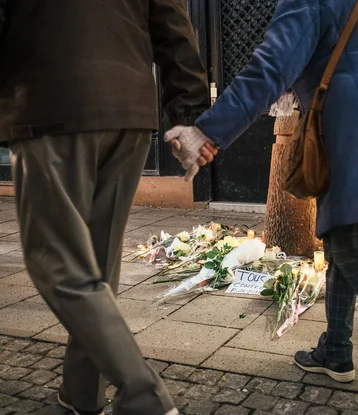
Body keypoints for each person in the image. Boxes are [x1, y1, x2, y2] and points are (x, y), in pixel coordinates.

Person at [165, 0, 358, 410]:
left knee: (353, 248)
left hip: (351, 123)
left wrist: (207, 133)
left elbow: (270, 70)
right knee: (344, 236)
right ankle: (336, 349)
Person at [0, 1, 209, 414]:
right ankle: (81, 395)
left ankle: (145, 399)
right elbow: (173, 23)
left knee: (56, 261)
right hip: (128, 111)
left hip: (50, 102)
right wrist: (189, 114)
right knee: (96, 266)